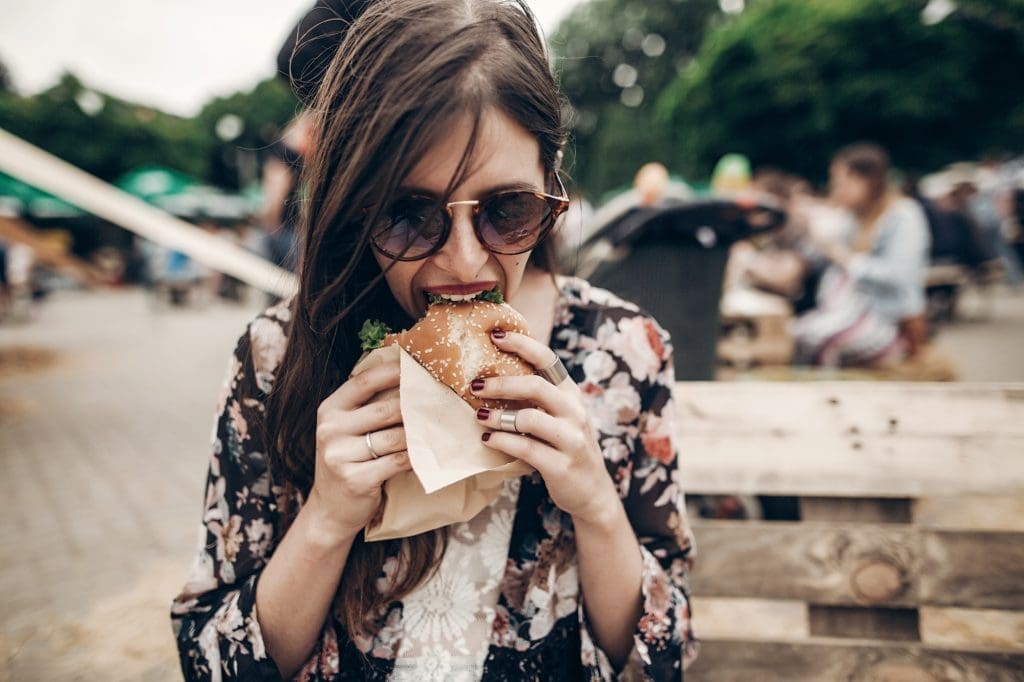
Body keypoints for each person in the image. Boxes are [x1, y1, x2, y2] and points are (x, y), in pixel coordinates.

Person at [170, 1, 696, 680]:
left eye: (508, 210)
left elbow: (668, 659)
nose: (464, 263)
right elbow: (209, 663)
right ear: (352, 204)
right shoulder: (276, 356)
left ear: (551, 189)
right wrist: (326, 520)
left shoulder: (626, 352)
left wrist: (595, 506)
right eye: (409, 214)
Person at [794, 143, 931, 367]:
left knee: (814, 340)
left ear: (864, 181)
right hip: (852, 314)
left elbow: (898, 277)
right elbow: (817, 254)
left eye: (840, 182)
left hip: (890, 323)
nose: (835, 189)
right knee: (802, 335)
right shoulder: (855, 217)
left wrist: (844, 257)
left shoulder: (903, 216)